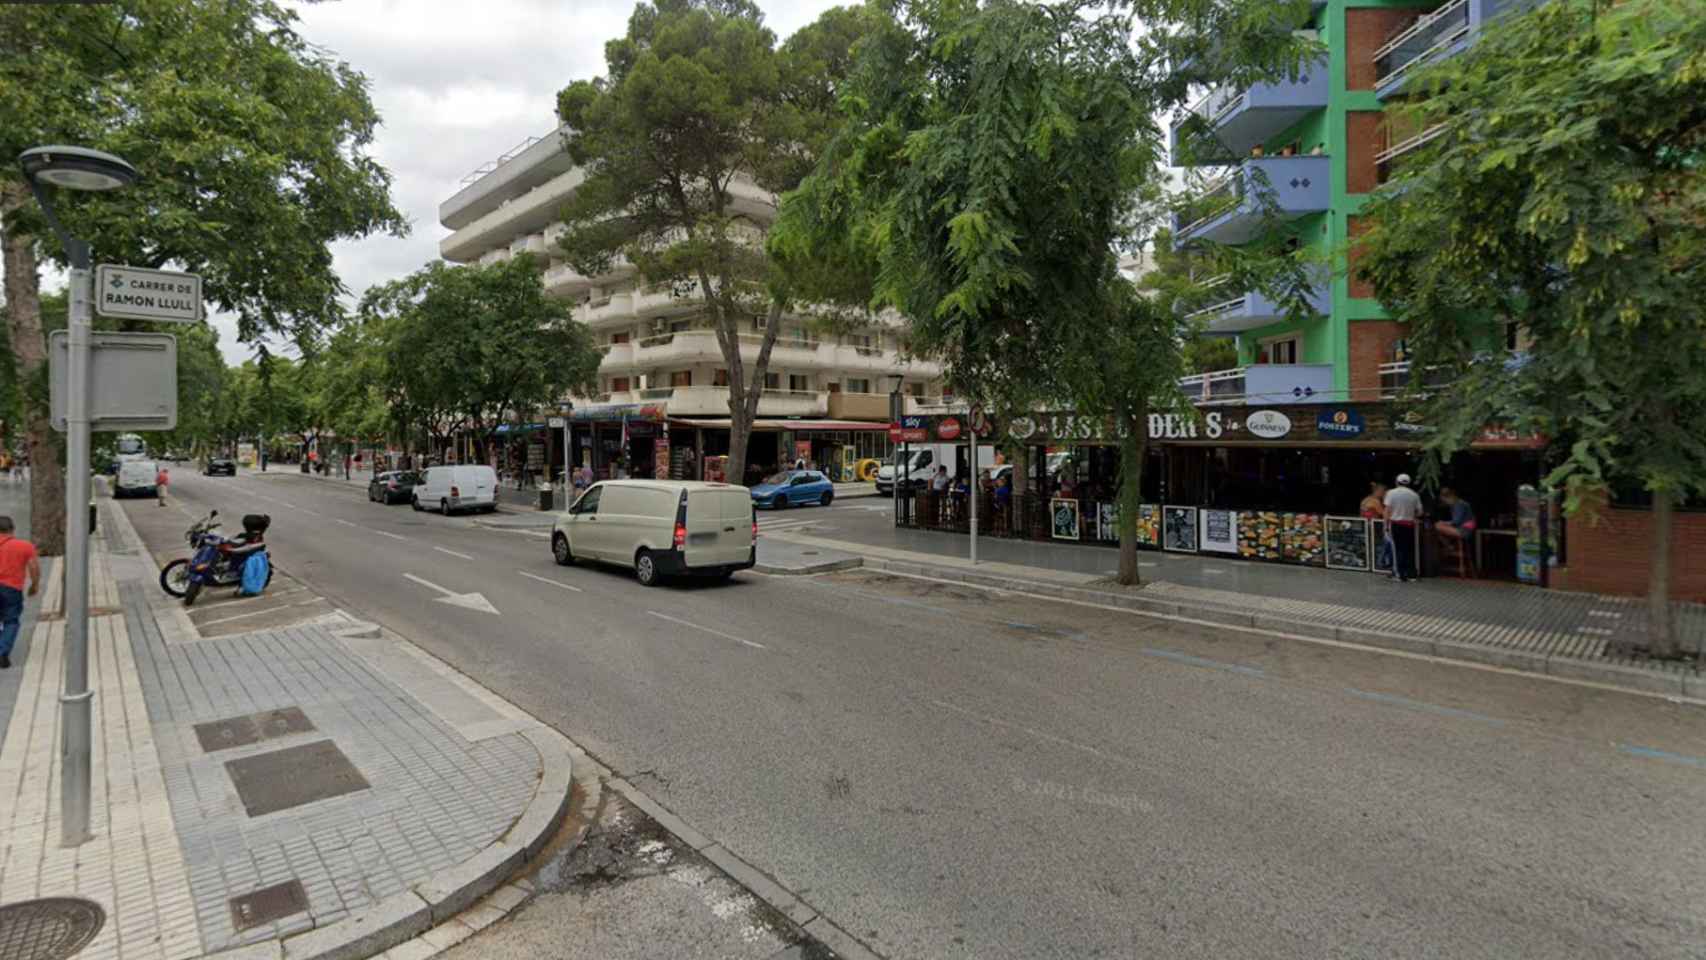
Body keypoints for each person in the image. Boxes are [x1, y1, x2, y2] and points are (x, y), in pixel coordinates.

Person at [0, 516, 41, 670]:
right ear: (12, 529)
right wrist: (34, 585)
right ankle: (2, 651)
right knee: (11, 621)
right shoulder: (24, 546)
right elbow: (34, 568)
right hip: (11, 589)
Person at [1383, 473, 1423, 582]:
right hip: (1409, 525)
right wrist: (1412, 515)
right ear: (1408, 483)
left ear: (1397, 482)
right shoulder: (1414, 495)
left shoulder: (1391, 493)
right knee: (1409, 549)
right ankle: (1411, 574)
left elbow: (1387, 510)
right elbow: (1420, 512)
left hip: (1395, 524)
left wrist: (1386, 525)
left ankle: (1399, 574)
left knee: (1397, 550)